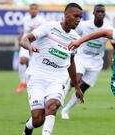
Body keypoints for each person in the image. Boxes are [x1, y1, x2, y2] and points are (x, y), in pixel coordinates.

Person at [20, 3, 84, 135]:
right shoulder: (49, 27)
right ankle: (28, 128)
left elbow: (71, 63)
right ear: (66, 15)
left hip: (57, 78)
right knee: (38, 119)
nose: (78, 19)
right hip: (37, 76)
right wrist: (29, 47)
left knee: (52, 105)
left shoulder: (76, 39)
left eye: (80, 17)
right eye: (76, 16)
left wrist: (77, 87)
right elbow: (25, 39)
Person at [61, 4, 115, 119]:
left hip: (96, 61)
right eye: (98, 11)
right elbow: (72, 33)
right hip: (82, 56)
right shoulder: (84, 25)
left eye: (102, 12)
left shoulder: (109, 29)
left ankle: (66, 110)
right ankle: (60, 99)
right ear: (94, 13)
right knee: (75, 80)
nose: (100, 13)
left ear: (105, 14)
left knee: (83, 88)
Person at [16, 3, 45, 93]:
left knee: (34, 65)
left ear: (38, 10)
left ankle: (33, 84)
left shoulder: (42, 20)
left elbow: (43, 32)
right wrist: (20, 36)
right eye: (31, 8)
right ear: (29, 10)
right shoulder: (25, 19)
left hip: (36, 44)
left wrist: (35, 29)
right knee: (22, 60)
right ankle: (22, 82)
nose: (33, 10)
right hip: (26, 42)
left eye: (35, 9)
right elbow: (24, 30)